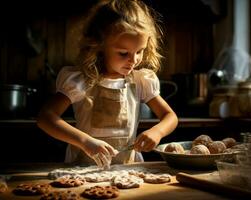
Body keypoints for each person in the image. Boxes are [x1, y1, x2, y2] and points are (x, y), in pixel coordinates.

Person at [37, 0, 178, 169]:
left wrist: (157, 132)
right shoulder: (81, 80)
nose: (134, 60)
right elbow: (46, 118)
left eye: (139, 51)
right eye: (123, 53)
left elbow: (170, 116)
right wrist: (85, 142)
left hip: (129, 169)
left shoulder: (141, 80)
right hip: (83, 169)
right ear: (99, 45)